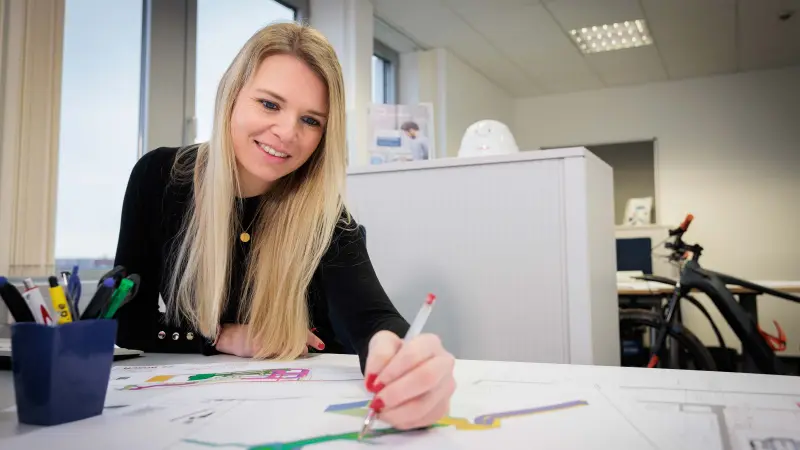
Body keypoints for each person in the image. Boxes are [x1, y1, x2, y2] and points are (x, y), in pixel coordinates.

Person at [113, 22, 455, 430]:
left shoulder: (325, 216)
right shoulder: (160, 177)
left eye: (311, 120)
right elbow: (122, 321)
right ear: (231, 94)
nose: (288, 133)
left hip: (303, 414)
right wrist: (220, 337)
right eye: (270, 104)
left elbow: (372, 319)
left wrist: (402, 358)